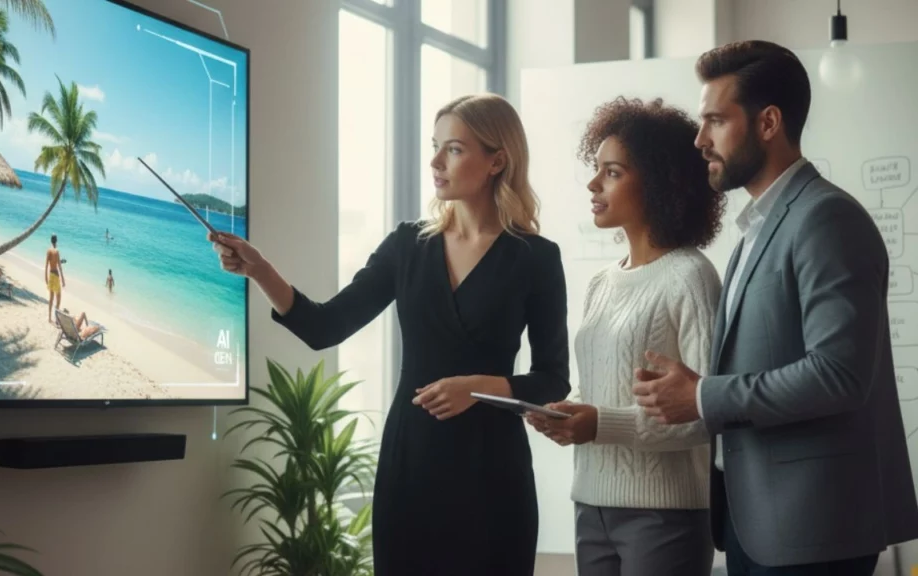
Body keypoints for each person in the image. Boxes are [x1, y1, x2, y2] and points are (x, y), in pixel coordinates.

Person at [209, 93, 570, 576]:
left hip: (493, 473)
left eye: (454, 149)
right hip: (411, 464)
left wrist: (480, 388)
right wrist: (260, 270)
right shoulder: (407, 246)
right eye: (435, 146)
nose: (435, 162)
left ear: (497, 161)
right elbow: (325, 327)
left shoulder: (536, 258)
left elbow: (553, 379)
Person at [632, 40, 918, 575]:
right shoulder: (756, 230)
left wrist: (702, 395)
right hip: (756, 521)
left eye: (716, 121)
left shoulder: (826, 218)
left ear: (768, 123)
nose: (700, 140)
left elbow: (838, 375)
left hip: (813, 530)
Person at [525, 96, 724, 576]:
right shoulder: (602, 282)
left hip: (665, 515)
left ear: (659, 183)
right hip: (590, 504)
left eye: (612, 172)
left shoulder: (691, 276)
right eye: (596, 169)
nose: (593, 184)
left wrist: (602, 424)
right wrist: (569, 412)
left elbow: (709, 412)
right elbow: (600, 388)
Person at [44, 234, 65, 323]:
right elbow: (59, 266)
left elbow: (46, 265)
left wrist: (45, 277)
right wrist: (63, 279)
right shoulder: (57, 251)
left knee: (51, 298)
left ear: (51, 241)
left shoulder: (49, 251)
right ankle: (56, 318)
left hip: (50, 275)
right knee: (58, 299)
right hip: (56, 276)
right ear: (56, 241)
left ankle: (49, 318)